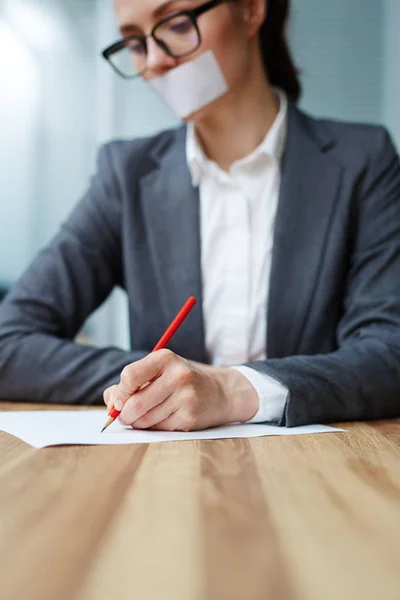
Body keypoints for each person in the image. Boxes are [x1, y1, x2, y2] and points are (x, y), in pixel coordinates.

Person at [0, 0, 399, 431]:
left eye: (174, 23)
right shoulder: (127, 175)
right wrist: (163, 382)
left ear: (250, 10)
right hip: (168, 475)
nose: (154, 61)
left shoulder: (362, 161)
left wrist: (232, 389)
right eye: (134, 42)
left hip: (319, 469)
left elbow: (389, 350)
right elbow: (8, 342)